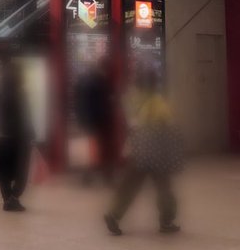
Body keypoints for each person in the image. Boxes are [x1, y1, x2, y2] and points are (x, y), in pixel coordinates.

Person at [104, 71, 181, 236]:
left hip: (136, 148)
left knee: (129, 185)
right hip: (156, 150)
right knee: (164, 186)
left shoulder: (131, 99)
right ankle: (166, 221)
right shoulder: (157, 101)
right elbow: (167, 121)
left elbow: (131, 121)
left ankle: (113, 214)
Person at [0, 60, 33, 212]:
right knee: (22, 169)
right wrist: (30, 133)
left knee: (4, 170)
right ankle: (14, 197)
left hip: (1, 136)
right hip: (18, 137)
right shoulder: (20, 93)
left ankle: (7, 199)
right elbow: (25, 116)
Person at [75, 55, 116, 185]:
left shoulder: (86, 79)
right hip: (97, 120)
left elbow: (79, 100)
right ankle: (102, 177)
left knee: (95, 150)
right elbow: (100, 103)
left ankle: (93, 176)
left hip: (89, 120)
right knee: (100, 149)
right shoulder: (98, 80)